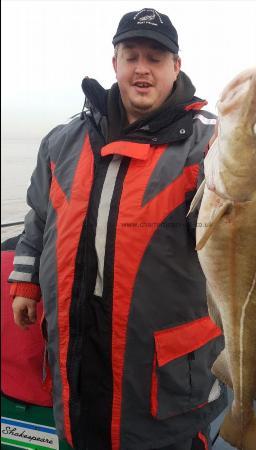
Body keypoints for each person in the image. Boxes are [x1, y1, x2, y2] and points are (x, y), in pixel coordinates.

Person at [9, 7, 227, 450]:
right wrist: (26, 282)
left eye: (156, 57)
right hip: (76, 352)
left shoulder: (210, 144)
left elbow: (247, 215)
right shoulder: (62, 139)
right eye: (131, 56)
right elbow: (39, 217)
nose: (142, 69)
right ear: (115, 64)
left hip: (161, 375)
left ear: (176, 66)